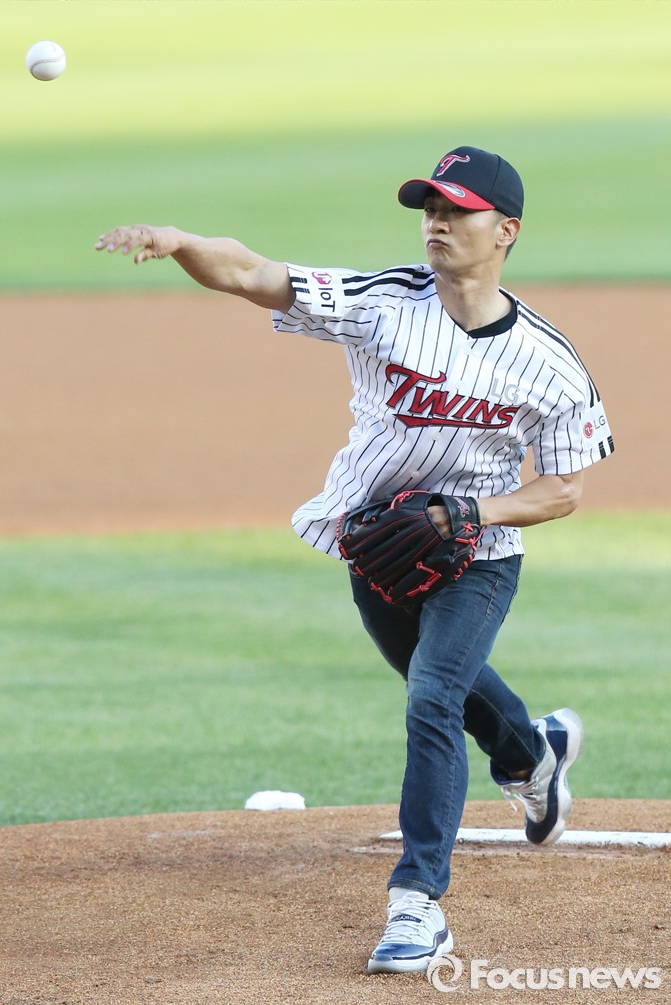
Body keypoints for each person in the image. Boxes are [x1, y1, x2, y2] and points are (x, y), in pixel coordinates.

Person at [95, 145, 614, 975]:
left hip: (481, 554)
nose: (436, 222)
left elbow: (563, 490)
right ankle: (531, 754)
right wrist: (181, 241)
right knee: (446, 686)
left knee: (433, 695)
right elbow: (254, 273)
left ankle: (417, 902)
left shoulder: (549, 362)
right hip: (377, 543)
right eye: (430, 207)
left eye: (458, 210)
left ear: (505, 231)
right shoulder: (385, 303)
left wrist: (470, 512)